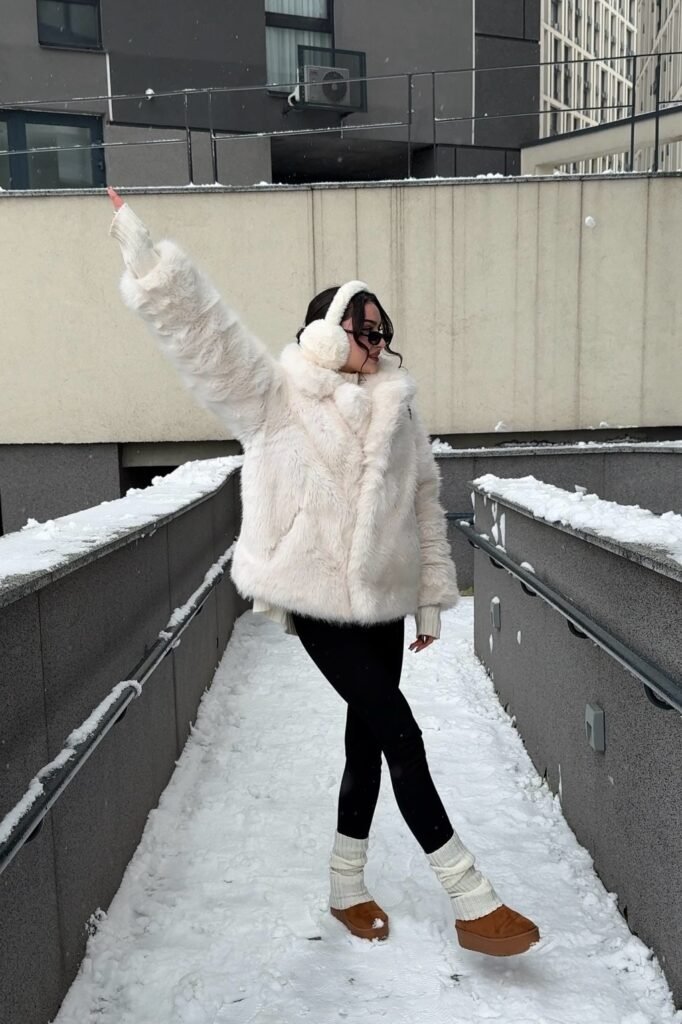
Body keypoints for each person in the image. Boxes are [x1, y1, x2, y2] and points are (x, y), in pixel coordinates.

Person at [106, 187, 540, 957]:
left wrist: (429, 599)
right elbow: (207, 339)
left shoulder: (397, 409)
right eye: (364, 328)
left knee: (367, 741)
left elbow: (423, 502)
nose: (377, 342)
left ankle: (346, 887)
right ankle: (471, 898)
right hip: (315, 599)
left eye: (383, 332)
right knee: (401, 731)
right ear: (327, 331)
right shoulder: (276, 397)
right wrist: (152, 266)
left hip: (382, 605)